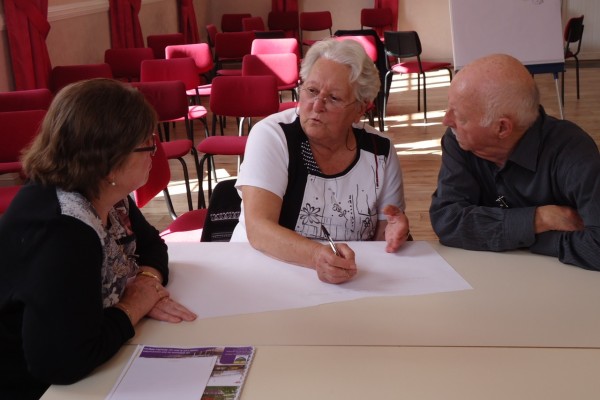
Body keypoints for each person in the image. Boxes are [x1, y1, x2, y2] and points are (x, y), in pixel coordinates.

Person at [0, 78, 197, 400]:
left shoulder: (105, 193)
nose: (154, 152)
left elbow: (151, 245)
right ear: (110, 159)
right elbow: (61, 364)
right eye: (146, 143)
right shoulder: (63, 232)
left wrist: (146, 281)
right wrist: (134, 305)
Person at [230, 38, 410, 284]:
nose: (317, 105)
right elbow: (259, 228)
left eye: (334, 98)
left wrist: (395, 232)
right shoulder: (274, 135)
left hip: (347, 280)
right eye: (312, 91)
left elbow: (383, 234)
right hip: (263, 274)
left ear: (360, 109)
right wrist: (316, 256)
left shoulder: (380, 150)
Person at [429, 53, 600, 270]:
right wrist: (538, 220)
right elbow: (447, 221)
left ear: (502, 128)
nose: (447, 120)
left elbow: (597, 248)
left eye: (460, 117)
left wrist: (517, 237)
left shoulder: (573, 153)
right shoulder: (459, 140)